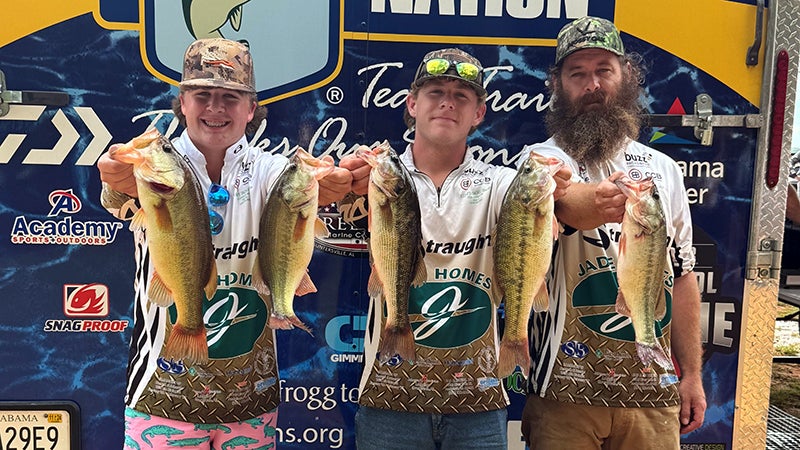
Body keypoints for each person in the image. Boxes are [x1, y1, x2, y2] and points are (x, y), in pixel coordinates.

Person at [97, 38, 352, 449]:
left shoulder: (274, 171)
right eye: (202, 95)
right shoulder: (149, 165)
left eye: (230, 97)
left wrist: (340, 184)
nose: (215, 108)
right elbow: (116, 197)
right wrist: (115, 181)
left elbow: (317, 190)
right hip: (161, 397)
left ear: (251, 109)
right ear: (182, 102)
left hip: (252, 400)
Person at [339, 47, 570, 450]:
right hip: (388, 398)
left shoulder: (503, 184)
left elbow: (559, 205)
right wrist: (341, 178)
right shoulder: (379, 175)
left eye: (461, 95)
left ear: (479, 112)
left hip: (479, 402)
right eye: (434, 92)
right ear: (412, 104)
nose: (447, 102)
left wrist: (560, 185)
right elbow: (320, 195)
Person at [519, 16, 707, 449]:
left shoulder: (663, 168)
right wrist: (573, 205)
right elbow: (538, 222)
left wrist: (692, 374)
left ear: (626, 77)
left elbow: (681, 277)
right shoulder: (536, 162)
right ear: (558, 85)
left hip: (651, 395)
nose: (592, 84)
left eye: (604, 70)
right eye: (577, 74)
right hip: (561, 393)